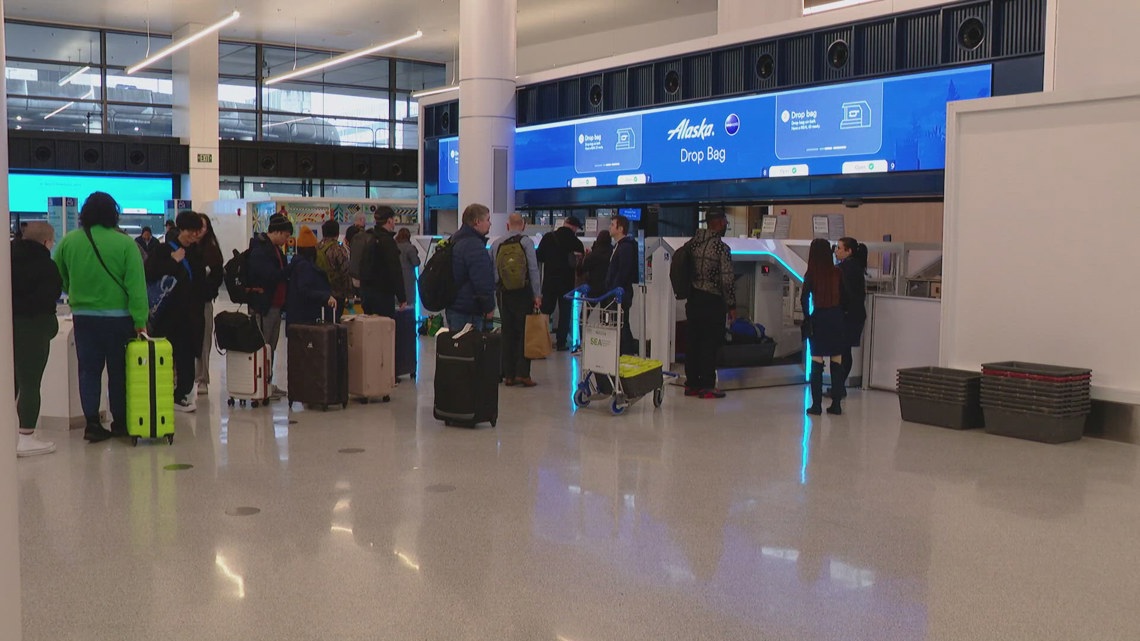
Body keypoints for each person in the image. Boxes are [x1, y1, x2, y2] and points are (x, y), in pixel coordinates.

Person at [54, 191, 149, 442]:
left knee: (89, 370)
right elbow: (136, 287)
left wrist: (72, 288)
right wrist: (140, 320)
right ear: (113, 214)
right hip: (119, 319)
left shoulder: (69, 241)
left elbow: (57, 274)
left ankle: (92, 424)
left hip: (84, 317)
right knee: (119, 371)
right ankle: (119, 422)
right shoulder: (125, 244)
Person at [145, 211, 206, 412]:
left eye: (197, 232)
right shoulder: (164, 250)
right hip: (167, 316)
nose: (194, 236)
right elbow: (150, 273)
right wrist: (173, 261)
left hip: (189, 316)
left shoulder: (197, 252)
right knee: (164, 356)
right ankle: (161, 393)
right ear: (181, 229)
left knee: (186, 356)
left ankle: (181, 394)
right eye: (191, 231)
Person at [11, 222, 62, 456]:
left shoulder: (7, 257)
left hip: (8, 325)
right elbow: (47, 299)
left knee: (9, 380)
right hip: (32, 327)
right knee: (30, 383)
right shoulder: (46, 266)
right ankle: (26, 436)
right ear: (46, 242)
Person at [684, 211, 737, 400]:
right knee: (709, 342)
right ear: (720, 223)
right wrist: (732, 306)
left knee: (693, 341)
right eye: (725, 222)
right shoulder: (721, 248)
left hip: (693, 299)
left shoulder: (693, 244)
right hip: (712, 301)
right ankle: (707, 385)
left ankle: (691, 383)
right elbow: (727, 279)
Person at [490, 213, 542, 387]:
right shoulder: (526, 242)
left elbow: (493, 272)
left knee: (507, 332)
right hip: (523, 292)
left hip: (503, 294)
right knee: (523, 332)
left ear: (507, 226)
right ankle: (523, 374)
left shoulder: (496, 243)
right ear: (523, 225)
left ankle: (508, 375)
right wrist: (537, 295)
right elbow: (533, 270)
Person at [246, 213, 293, 398]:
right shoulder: (261, 250)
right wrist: (289, 270)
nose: (287, 240)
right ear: (278, 232)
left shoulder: (274, 250)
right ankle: (261, 384)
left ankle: (268, 383)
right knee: (264, 346)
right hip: (265, 306)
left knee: (271, 347)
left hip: (275, 306)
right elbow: (270, 276)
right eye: (286, 236)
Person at [801, 238, 848, 416]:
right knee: (837, 361)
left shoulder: (812, 274)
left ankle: (816, 405)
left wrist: (808, 318)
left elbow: (804, 298)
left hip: (819, 317)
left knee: (817, 362)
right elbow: (845, 297)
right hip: (836, 317)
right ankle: (836, 404)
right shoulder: (837, 272)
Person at [446, 203, 496, 331]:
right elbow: (482, 280)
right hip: (468, 310)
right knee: (469, 348)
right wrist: (489, 307)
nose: (490, 223)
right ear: (477, 222)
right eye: (488, 220)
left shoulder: (455, 239)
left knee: (457, 347)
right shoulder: (474, 245)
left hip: (454, 305)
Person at [536, 216, 584, 351]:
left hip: (550, 281)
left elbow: (539, 256)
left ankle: (541, 341)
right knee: (565, 313)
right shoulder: (576, 242)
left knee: (546, 310)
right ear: (574, 227)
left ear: (564, 223)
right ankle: (561, 343)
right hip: (567, 283)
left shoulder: (548, 237)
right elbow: (579, 264)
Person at [189, 214, 224, 395]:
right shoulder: (187, 248)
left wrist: (206, 290)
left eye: (203, 227)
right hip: (187, 302)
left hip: (203, 301)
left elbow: (217, 277)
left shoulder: (211, 251)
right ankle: (185, 376)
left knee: (204, 341)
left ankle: (202, 377)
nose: (200, 231)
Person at [358, 206, 408, 318]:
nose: (394, 224)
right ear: (389, 220)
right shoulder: (388, 242)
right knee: (383, 330)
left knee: (369, 330)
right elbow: (395, 270)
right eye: (394, 220)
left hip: (366, 294)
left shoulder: (368, 237)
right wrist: (402, 297)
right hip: (383, 295)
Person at [604, 214, 640, 356]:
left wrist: (614, 289)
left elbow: (623, 271)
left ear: (620, 228)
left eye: (612, 225)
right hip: (615, 292)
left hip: (620, 293)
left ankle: (627, 353)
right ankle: (623, 352)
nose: (610, 227)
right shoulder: (618, 246)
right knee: (620, 323)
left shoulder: (625, 247)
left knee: (622, 323)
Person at [286, 226, 336, 325]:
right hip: (304, 318)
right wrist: (325, 296)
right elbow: (304, 291)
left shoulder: (297, 264)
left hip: (297, 317)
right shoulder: (304, 266)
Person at [316, 219, 352, 320]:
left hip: (319, 292)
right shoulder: (338, 249)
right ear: (337, 232)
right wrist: (349, 295)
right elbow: (345, 272)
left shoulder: (316, 248)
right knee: (334, 322)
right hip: (336, 293)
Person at [580, 230, 613, 297]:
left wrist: (585, 256)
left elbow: (583, 268)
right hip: (608, 285)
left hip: (593, 285)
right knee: (606, 306)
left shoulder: (594, 254)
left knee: (589, 305)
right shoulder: (613, 251)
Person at [395, 227, 421, 311]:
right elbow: (416, 262)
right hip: (408, 279)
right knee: (409, 303)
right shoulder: (410, 248)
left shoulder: (394, 246)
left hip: (396, 277)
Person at [347, 212, 370, 291]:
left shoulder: (349, 231)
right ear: (361, 220)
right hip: (360, 272)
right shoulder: (363, 236)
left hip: (351, 270)